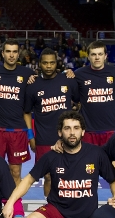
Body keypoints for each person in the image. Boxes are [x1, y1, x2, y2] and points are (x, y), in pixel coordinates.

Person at [24, 48, 78, 196]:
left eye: (52, 63)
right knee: (48, 177)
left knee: (68, 176)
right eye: (45, 63)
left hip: (67, 138)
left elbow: (79, 103)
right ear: (39, 64)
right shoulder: (33, 85)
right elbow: (27, 112)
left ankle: (67, 209)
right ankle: (51, 210)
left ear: (57, 64)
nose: (49, 66)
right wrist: (30, 136)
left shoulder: (68, 80)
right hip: (43, 139)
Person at [0, 39, 35, 185]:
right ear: (2, 53)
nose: (11, 55)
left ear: (18, 54)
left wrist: (68, 72)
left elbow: (47, 82)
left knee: (15, 172)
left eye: (14, 52)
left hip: (18, 130)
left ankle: (14, 206)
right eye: (8, 51)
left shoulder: (27, 74)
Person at [71, 41, 115, 146]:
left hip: (110, 129)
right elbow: (75, 98)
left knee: (110, 161)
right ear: (88, 56)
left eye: (100, 54)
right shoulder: (78, 74)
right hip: (88, 130)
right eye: (93, 54)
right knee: (88, 162)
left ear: (105, 56)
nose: (97, 57)